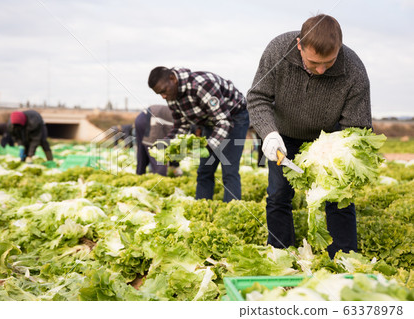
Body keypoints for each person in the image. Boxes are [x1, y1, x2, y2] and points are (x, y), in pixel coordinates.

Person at [247, 14, 372, 258]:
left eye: (330, 61)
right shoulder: (277, 51)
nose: (322, 69)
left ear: (339, 48)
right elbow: (257, 96)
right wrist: (269, 134)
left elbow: (357, 127)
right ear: (299, 45)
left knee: (338, 198)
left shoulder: (354, 71)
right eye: (314, 62)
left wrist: (338, 154)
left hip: (329, 140)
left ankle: (344, 259)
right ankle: (281, 255)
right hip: (283, 136)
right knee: (278, 195)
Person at [148, 66, 249, 202]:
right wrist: (166, 143)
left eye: (164, 91)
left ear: (173, 79)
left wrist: (208, 146)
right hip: (210, 122)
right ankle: (202, 206)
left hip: (235, 117)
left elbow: (224, 121)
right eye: (159, 94)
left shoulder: (201, 85)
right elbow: (181, 125)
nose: (163, 96)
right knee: (204, 171)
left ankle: (232, 209)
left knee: (229, 169)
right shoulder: (171, 96)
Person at [135, 104, 182, 176]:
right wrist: (175, 165)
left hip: (140, 118)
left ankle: (139, 175)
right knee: (157, 153)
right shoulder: (184, 121)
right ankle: (160, 178)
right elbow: (174, 143)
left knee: (142, 152)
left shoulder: (178, 113)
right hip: (151, 119)